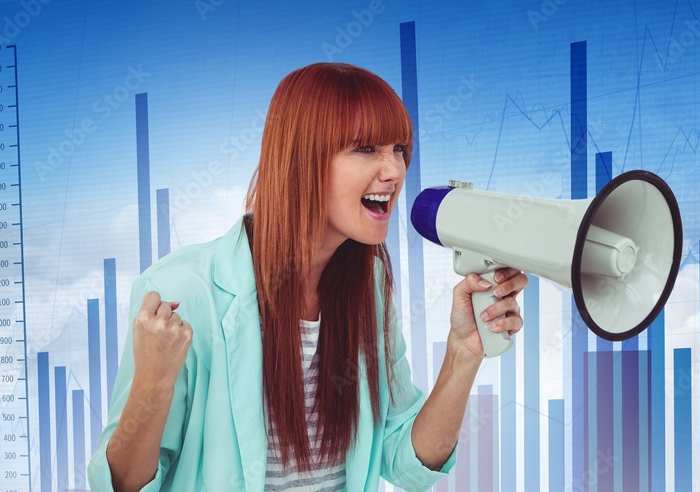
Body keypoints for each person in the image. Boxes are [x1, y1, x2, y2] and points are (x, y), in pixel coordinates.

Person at [87, 63, 528, 491]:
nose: (394, 170)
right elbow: (122, 485)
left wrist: (463, 354)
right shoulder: (182, 290)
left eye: (398, 148)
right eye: (366, 148)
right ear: (302, 159)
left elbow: (403, 461)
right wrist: (153, 381)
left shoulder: (368, 284)